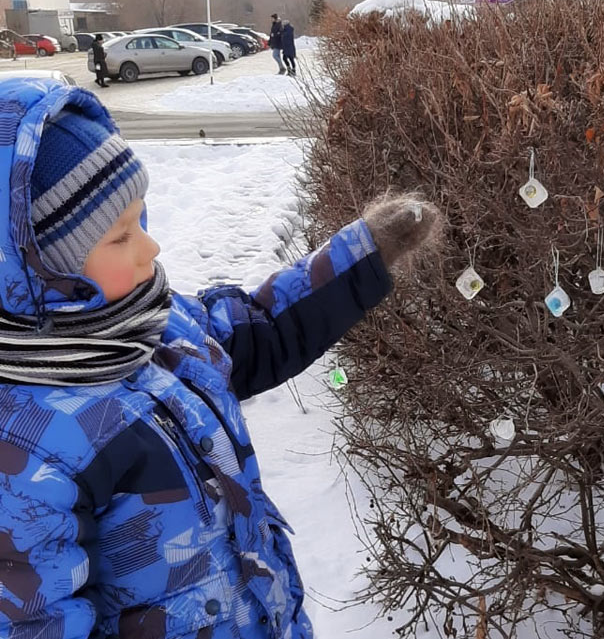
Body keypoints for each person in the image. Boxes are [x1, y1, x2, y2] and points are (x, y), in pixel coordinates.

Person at [0, 78, 442, 639]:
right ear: (41, 270)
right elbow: (37, 622)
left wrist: (362, 250)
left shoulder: (158, 323)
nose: (150, 246)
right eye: (120, 236)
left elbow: (262, 329)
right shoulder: (26, 449)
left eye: (142, 218)